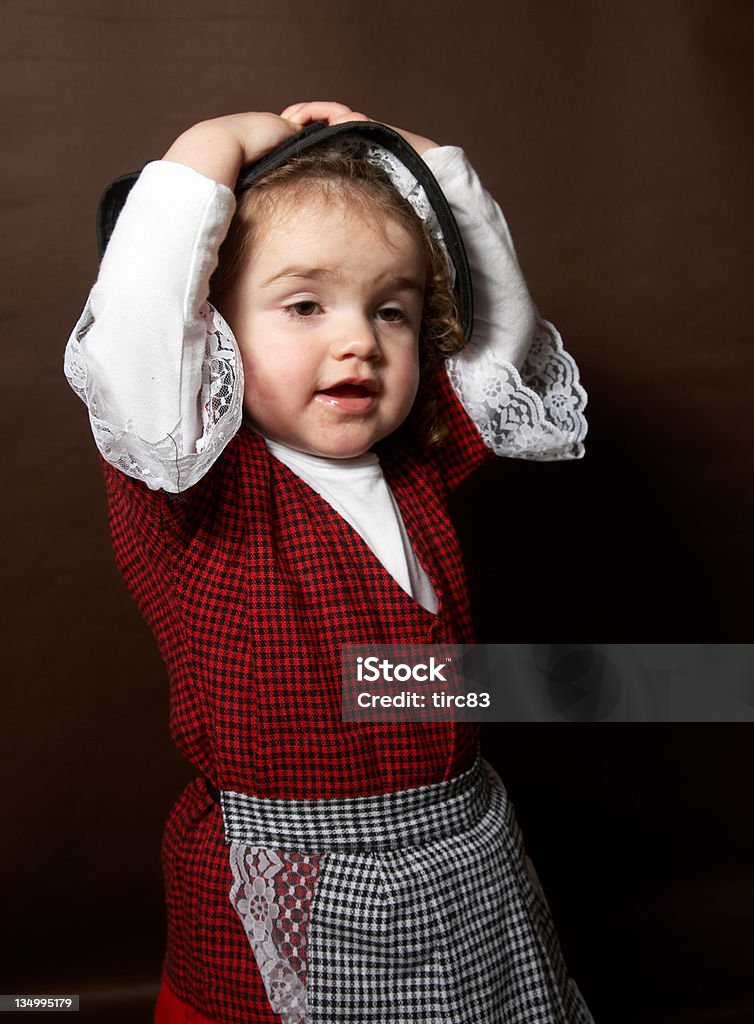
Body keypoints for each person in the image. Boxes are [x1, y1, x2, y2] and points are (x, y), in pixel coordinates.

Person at [64, 101, 591, 1024]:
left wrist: (426, 165)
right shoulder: (192, 479)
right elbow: (139, 328)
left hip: (464, 857)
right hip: (294, 887)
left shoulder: (420, 464)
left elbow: (500, 344)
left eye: (391, 310)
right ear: (210, 336)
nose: (358, 340)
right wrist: (212, 148)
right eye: (304, 305)